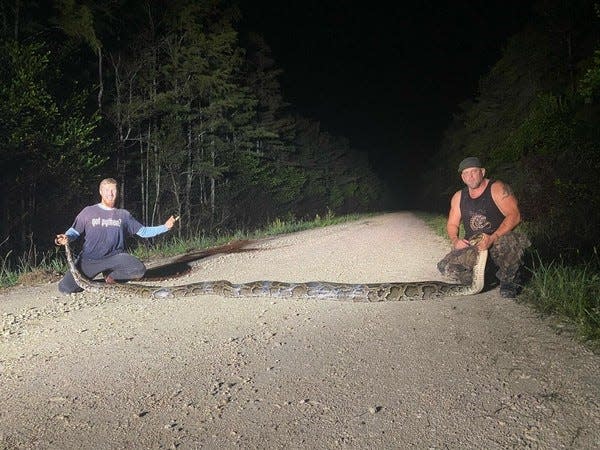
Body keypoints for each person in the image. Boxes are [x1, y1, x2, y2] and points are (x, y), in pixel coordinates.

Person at [55, 178, 178, 294]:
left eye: (113, 190)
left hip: (115, 258)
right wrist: (65, 237)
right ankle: (92, 279)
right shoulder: (88, 211)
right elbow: (74, 232)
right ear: (101, 192)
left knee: (138, 269)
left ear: (117, 192)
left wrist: (165, 227)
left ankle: (110, 276)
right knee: (65, 288)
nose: (110, 193)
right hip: (90, 259)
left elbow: (144, 232)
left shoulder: (123, 215)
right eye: (107, 190)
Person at [441, 156, 530, 298]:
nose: (470, 176)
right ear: (462, 177)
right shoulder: (458, 196)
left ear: (482, 172)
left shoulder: (497, 188)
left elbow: (515, 215)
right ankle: (489, 274)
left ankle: (510, 280)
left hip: (497, 241)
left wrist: (492, 238)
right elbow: (452, 224)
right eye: (465, 173)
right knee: (446, 268)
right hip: (474, 245)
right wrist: (455, 240)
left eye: (474, 172)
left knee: (510, 242)